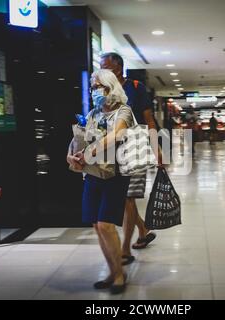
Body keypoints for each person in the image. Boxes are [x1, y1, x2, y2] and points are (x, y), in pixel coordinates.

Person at [67, 69, 134, 294]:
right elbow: (82, 137)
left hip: (116, 174)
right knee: (97, 226)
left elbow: (116, 136)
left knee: (106, 224)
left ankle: (119, 275)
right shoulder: (94, 113)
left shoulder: (124, 111)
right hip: (93, 174)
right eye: (92, 87)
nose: (94, 91)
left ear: (109, 87)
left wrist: (89, 152)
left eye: (97, 86)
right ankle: (114, 271)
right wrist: (73, 154)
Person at [100, 52, 161, 266]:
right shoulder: (103, 90)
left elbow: (148, 118)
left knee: (127, 198)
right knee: (126, 198)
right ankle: (143, 230)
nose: (102, 69)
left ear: (118, 67)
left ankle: (125, 249)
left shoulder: (135, 87)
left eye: (105, 66)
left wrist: (157, 147)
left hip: (135, 147)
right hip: (112, 150)